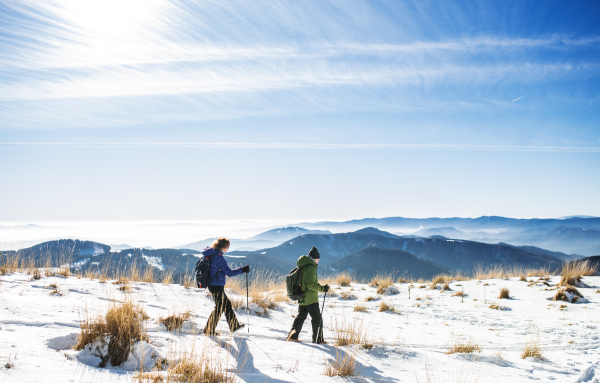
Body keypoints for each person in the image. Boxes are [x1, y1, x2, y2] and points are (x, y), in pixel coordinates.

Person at [202, 237, 250, 335]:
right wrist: (242, 270)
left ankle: (234, 326)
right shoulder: (218, 257)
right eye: (228, 247)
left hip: (214, 284)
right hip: (216, 285)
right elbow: (229, 273)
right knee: (220, 307)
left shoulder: (212, 253)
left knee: (226, 305)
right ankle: (209, 330)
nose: (228, 249)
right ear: (223, 246)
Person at [287, 247, 330, 344]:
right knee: (317, 319)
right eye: (317, 259)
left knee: (301, 316)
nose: (318, 261)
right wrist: (323, 288)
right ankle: (318, 339)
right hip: (310, 298)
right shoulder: (310, 267)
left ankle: (292, 336)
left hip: (302, 297)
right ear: (314, 258)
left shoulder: (303, 265)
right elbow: (311, 285)